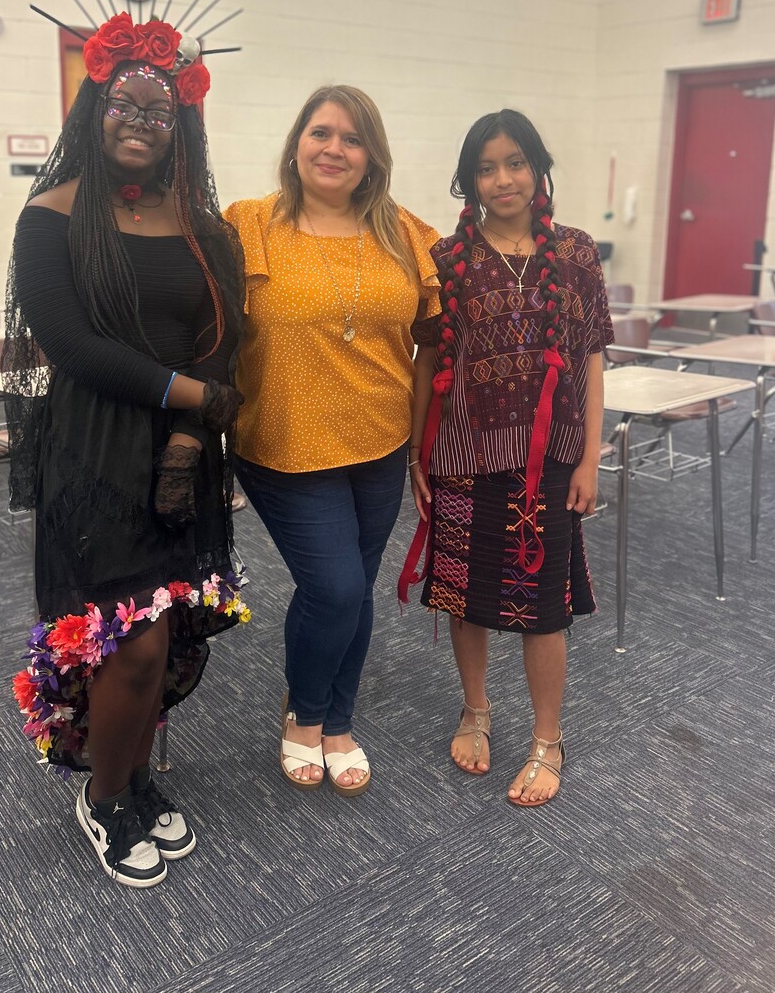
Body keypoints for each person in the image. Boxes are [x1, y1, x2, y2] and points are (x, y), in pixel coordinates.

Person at [5, 12, 248, 887]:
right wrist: (194, 397)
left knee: (166, 628)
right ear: (93, 111)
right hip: (94, 448)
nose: (140, 123)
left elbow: (224, 331)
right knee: (128, 642)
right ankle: (104, 797)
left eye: (159, 111)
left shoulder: (200, 224)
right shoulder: (52, 216)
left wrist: (190, 435)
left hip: (182, 454)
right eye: (124, 106)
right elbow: (73, 347)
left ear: (180, 123)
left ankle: (137, 776)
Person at [224, 85, 440, 795]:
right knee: (337, 586)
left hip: (379, 438)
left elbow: (438, 334)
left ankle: (339, 721)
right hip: (283, 441)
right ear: (296, 143)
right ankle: (305, 716)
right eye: (321, 133)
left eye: (352, 139)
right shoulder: (249, 224)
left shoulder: (405, 234)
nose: (334, 149)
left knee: (357, 589)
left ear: (371, 156)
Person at [400, 109, 612, 807]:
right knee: (468, 597)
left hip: (551, 461)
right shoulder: (448, 262)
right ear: (468, 180)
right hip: (462, 454)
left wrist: (589, 458)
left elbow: (592, 357)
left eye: (515, 162)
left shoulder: (577, 254)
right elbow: (428, 358)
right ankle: (476, 709)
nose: (503, 178)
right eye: (486, 167)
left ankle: (548, 738)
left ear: (538, 166)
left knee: (542, 606)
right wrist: (416, 455)